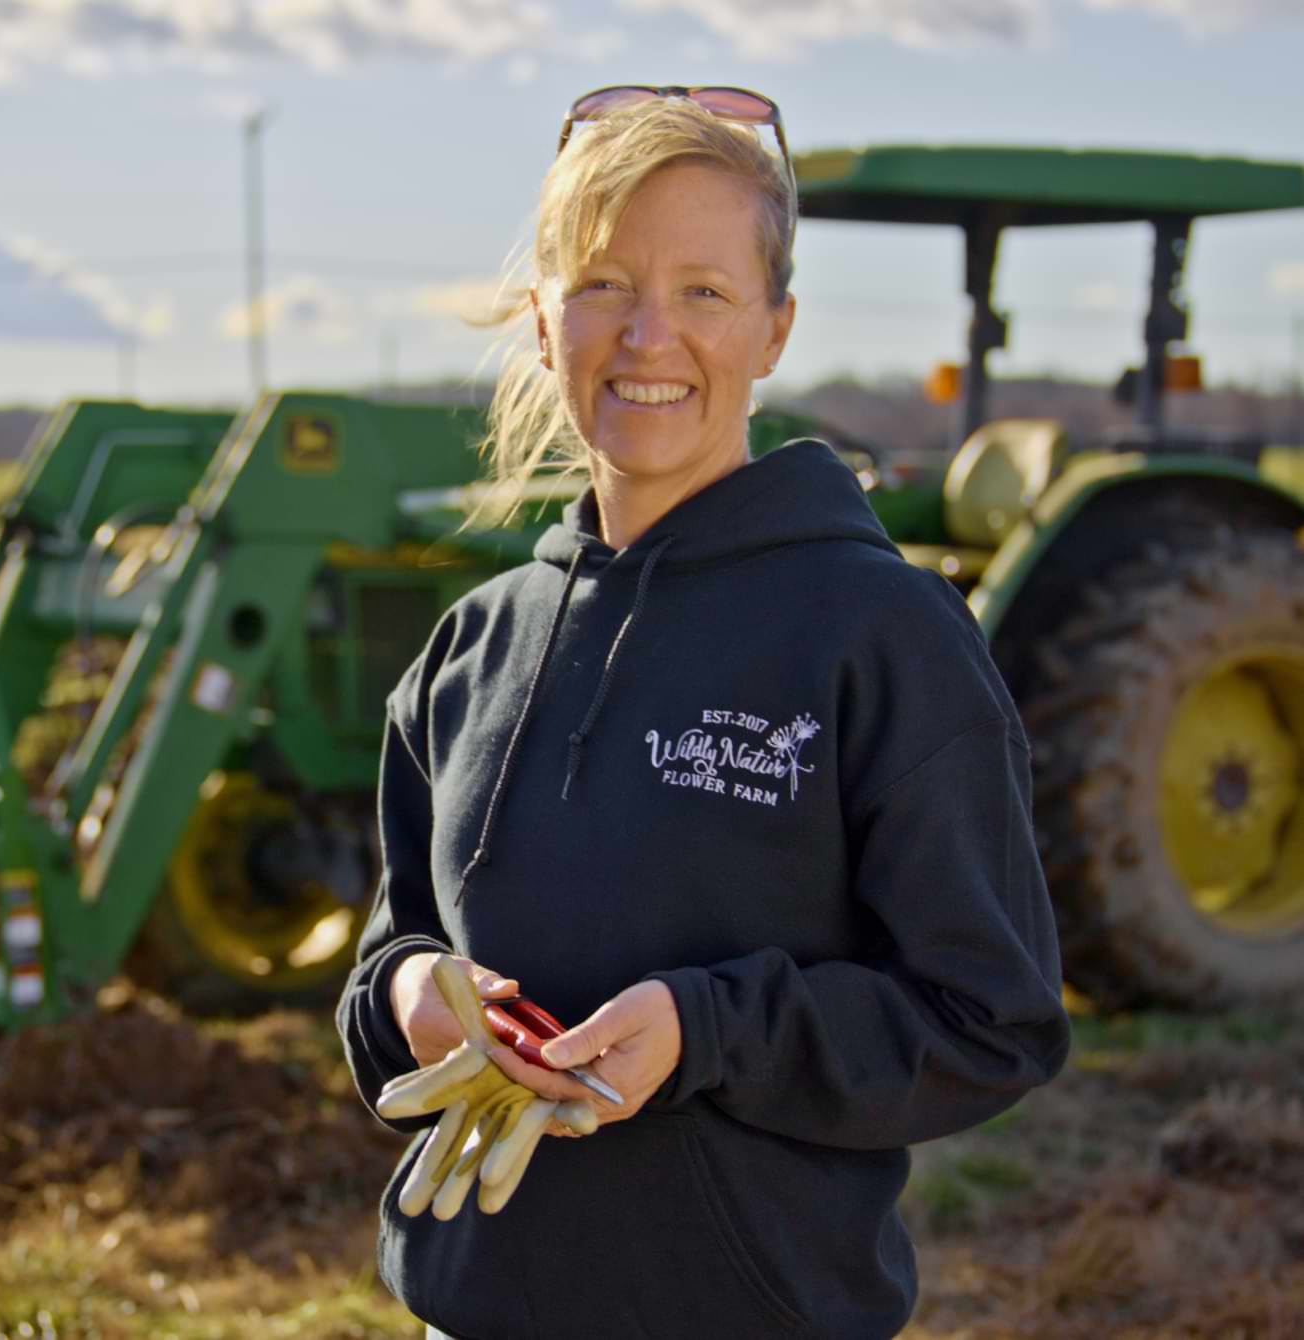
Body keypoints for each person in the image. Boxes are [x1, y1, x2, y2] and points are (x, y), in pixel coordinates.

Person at [338, 85, 1070, 1340]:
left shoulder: (877, 634)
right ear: (542, 317)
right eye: (604, 284)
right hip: (467, 1311)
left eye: (704, 292)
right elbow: (386, 947)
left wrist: (707, 1028)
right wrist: (411, 992)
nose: (646, 338)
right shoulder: (473, 644)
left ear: (775, 329)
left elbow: (986, 1020)